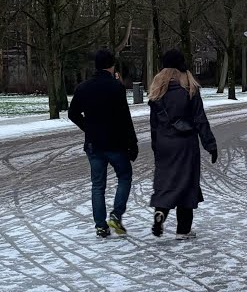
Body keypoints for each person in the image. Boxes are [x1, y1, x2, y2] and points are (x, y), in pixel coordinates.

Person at [148, 48, 218, 240]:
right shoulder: (189, 90)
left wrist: (156, 146)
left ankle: (160, 211)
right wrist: (210, 144)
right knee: (187, 184)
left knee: (166, 182)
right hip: (186, 144)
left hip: (164, 144)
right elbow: (200, 120)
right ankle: (183, 230)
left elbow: (154, 125)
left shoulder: (157, 94)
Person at [67, 49, 138, 238]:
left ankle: (100, 225)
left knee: (98, 185)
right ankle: (116, 214)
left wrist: (88, 128)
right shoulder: (116, 87)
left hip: (94, 144)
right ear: (111, 65)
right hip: (116, 142)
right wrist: (133, 142)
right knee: (124, 177)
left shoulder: (83, 88)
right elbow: (125, 118)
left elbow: (72, 113)